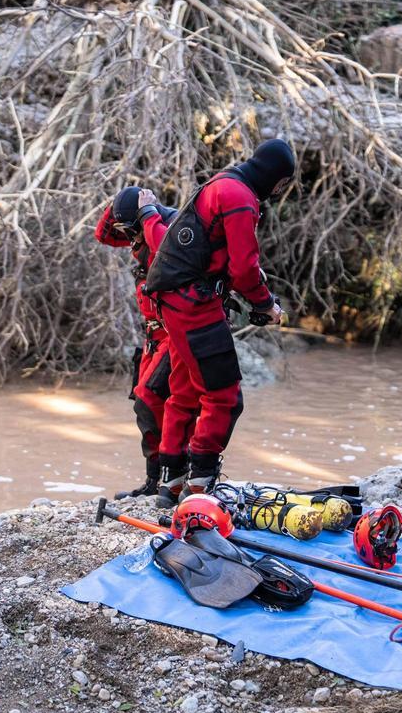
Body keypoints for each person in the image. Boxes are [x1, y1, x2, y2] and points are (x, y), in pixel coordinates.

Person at [138, 140, 295, 508]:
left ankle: (170, 483)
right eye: (282, 185)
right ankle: (200, 487)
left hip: (172, 304)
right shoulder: (241, 197)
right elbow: (243, 268)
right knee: (224, 396)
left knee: (185, 392)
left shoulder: (220, 184)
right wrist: (266, 304)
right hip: (195, 306)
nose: (278, 192)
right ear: (277, 179)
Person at [94, 186, 182, 499]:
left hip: (174, 334)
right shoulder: (138, 234)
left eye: (129, 228)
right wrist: (118, 202)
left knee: (151, 400)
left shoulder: (163, 230)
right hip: (152, 337)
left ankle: (172, 478)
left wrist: (147, 214)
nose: (127, 236)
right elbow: (103, 235)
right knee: (143, 404)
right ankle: (153, 480)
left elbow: (166, 256)